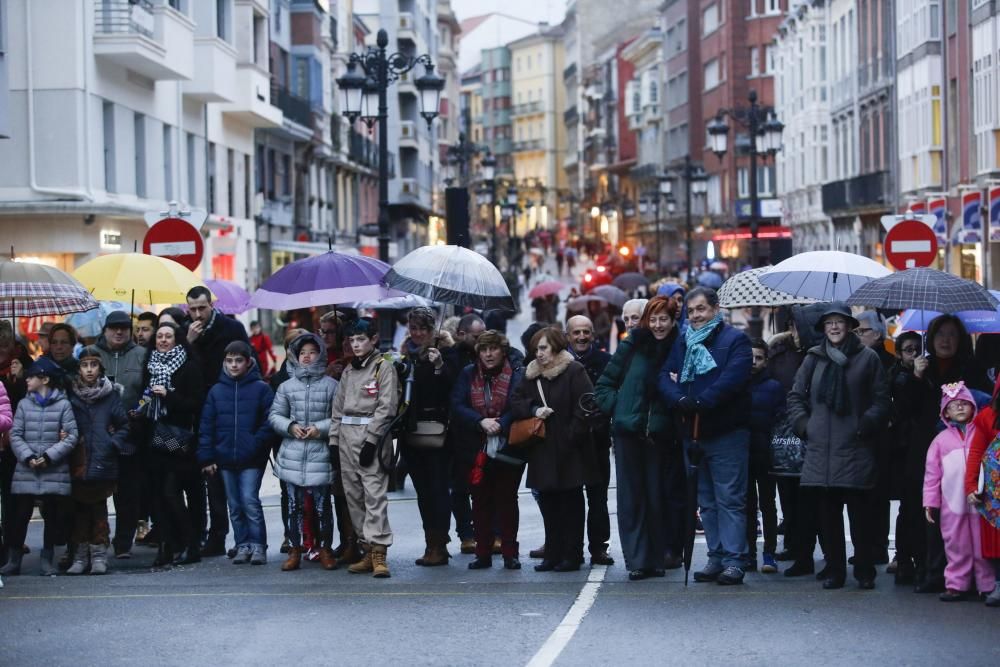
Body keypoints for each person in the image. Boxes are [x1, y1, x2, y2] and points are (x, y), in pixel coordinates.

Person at [786, 303, 890, 590]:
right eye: (828, 322)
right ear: (823, 328)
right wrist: (805, 426)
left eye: (839, 322)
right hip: (821, 449)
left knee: (860, 517)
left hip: (855, 446)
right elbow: (795, 396)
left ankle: (865, 570)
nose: (834, 327)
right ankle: (835, 570)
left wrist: (865, 423)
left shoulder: (867, 358)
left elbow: (881, 400)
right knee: (828, 516)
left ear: (849, 326)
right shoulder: (814, 358)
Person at [659, 286, 753, 586]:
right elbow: (664, 375)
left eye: (701, 309)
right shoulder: (683, 341)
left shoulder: (735, 340)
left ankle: (734, 561)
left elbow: (733, 379)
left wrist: (702, 401)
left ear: (715, 309)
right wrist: (678, 399)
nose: (696, 315)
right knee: (706, 501)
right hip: (692, 432)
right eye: (691, 311)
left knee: (730, 499)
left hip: (726, 431)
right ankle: (716, 556)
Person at [595, 296, 683, 579]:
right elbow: (604, 386)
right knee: (631, 500)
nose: (658, 325)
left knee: (657, 498)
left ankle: (657, 559)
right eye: (653, 319)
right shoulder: (632, 344)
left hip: (662, 434)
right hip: (628, 433)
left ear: (673, 320)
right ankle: (637, 561)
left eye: (663, 319)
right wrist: (620, 409)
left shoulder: (681, 347)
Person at [910, 314, 991, 593]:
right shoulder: (922, 367)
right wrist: (917, 377)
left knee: (973, 530)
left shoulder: (972, 369)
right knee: (933, 517)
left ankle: (980, 581)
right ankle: (933, 572)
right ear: (931, 338)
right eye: (940, 334)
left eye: (952, 334)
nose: (946, 340)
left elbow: (984, 408)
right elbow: (907, 406)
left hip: (967, 451)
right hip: (926, 446)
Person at [511, 327, 595, 572]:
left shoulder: (574, 371)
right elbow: (515, 401)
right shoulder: (531, 374)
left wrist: (571, 435)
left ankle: (572, 554)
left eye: (543, 348)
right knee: (548, 503)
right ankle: (553, 553)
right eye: (536, 349)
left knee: (571, 503)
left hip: (571, 449)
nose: (539, 353)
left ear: (556, 348)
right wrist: (533, 410)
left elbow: (586, 404)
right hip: (542, 447)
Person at [450, 330, 526, 570]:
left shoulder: (516, 373)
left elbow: (519, 404)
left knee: (507, 500)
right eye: (484, 349)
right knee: (480, 501)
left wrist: (501, 423)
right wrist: (479, 421)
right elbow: (457, 404)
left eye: (493, 349)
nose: (488, 354)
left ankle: (510, 553)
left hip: (507, 445)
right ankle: (482, 553)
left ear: (503, 351)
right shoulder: (468, 373)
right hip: (476, 446)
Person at [330, 318, 399, 578]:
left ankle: (379, 550)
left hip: (371, 436)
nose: (356, 345)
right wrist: (333, 442)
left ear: (373, 340)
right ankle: (366, 548)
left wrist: (372, 440)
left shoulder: (383, 367)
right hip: (346, 435)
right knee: (353, 496)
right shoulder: (349, 371)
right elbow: (337, 410)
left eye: (361, 339)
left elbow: (386, 407)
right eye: (352, 340)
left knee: (374, 495)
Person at [185, 285, 250, 558]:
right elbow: (182, 368)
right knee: (210, 475)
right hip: (200, 408)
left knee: (236, 480)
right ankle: (216, 535)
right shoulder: (186, 331)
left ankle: (244, 538)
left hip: (230, 405)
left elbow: (249, 363)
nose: (198, 314)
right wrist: (188, 342)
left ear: (211, 305)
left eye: (202, 308)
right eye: (193, 309)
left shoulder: (231, 328)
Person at [198, 341, 275, 566]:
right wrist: (207, 456)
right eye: (229, 361)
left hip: (251, 457)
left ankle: (258, 545)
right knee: (234, 504)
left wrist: (254, 443)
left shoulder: (261, 389)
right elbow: (206, 426)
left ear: (248, 362)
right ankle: (242, 544)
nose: (233, 365)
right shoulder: (216, 391)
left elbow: (269, 421)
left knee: (249, 500)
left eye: (238, 360)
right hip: (225, 457)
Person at [0, 357, 78, 576]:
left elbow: (71, 436)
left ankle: (47, 558)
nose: (27, 379)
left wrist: (49, 456)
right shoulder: (24, 404)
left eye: (31, 376)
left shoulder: (63, 405)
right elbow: (15, 434)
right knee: (19, 515)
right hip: (27, 469)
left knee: (52, 516)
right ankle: (14, 559)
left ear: (45, 379)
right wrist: (28, 457)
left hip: (53, 469)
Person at [269, 333, 340, 572]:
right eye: (302, 353)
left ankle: (325, 549)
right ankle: (294, 550)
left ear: (320, 354)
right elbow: (275, 416)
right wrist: (290, 427)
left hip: (320, 453)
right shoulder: (286, 387)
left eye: (312, 352)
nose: (307, 357)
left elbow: (338, 417)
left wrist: (320, 429)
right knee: (293, 506)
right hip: (292, 454)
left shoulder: (332, 386)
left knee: (323, 506)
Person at [923, 381, 996, 601]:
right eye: (954, 405)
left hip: (981, 502)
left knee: (982, 546)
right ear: (945, 412)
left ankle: (986, 584)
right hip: (952, 505)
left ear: (974, 406)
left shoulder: (981, 434)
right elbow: (932, 476)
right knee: (956, 545)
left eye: (965, 403)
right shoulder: (940, 441)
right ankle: (956, 584)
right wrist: (930, 502)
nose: (960, 407)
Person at [399, 307, 460, 566]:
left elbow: (455, 385)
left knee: (438, 489)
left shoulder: (447, 352)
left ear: (433, 329)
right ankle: (430, 542)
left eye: (423, 329)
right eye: (414, 328)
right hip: (411, 431)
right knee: (423, 492)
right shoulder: (405, 355)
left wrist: (439, 366)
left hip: (439, 431)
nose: (418, 334)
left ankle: (440, 544)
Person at [140, 322, 204, 567]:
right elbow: (145, 396)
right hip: (153, 441)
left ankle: (190, 544)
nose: (163, 340)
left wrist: (169, 395)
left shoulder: (189, 366)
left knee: (171, 494)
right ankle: (166, 546)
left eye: (168, 336)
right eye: (159, 336)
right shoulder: (150, 365)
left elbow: (195, 404)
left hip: (178, 444)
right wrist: (140, 408)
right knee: (157, 498)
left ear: (177, 339)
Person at [65, 347, 131, 575]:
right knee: (79, 509)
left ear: (100, 368)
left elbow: (124, 425)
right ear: (79, 369)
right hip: (78, 458)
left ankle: (99, 554)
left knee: (99, 508)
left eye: (93, 365)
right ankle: (80, 555)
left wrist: (112, 442)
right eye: (85, 365)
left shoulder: (110, 395)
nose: (89, 370)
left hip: (103, 458)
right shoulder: (72, 395)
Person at [93, 310, 149, 559]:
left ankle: (123, 542)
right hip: (98, 434)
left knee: (128, 491)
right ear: (105, 330)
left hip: (130, 433)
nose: (118, 332)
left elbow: (148, 391)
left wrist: (140, 410)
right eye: (114, 327)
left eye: (124, 328)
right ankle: (97, 539)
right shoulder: (92, 354)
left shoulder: (142, 355)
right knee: (95, 492)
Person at [566, 315, 614, 565]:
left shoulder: (606, 361)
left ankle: (599, 547)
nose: (582, 337)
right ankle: (571, 549)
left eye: (586, 332)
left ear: (593, 335)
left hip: (598, 439)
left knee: (598, 498)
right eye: (576, 332)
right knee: (570, 499)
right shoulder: (560, 361)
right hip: (570, 441)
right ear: (568, 336)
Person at [887, 331, 926, 585]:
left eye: (917, 349)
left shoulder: (927, 372)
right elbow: (905, 407)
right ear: (899, 354)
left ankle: (917, 558)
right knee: (909, 506)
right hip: (905, 448)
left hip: (923, 445)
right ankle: (904, 559)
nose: (913, 354)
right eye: (908, 350)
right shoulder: (898, 377)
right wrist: (917, 377)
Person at [746, 339, 785, 574]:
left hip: (767, 453)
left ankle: (769, 552)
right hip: (744, 452)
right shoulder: (737, 384)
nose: (753, 362)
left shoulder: (773, 387)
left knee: (768, 504)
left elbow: (781, 418)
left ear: (766, 361)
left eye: (758, 358)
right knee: (748, 506)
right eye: (750, 357)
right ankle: (749, 553)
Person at [966, 376, 1000, 606]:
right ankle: (999, 582)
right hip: (994, 494)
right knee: (997, 542)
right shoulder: (987, 417)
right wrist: (970, 486)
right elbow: (976, 453)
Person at [0, 320, 31, 567]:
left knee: (15, 498)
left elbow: (30, 399)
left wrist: (20, 378)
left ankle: (13, 545)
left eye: (4, 344)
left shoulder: (25, 364)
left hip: (18, 440)